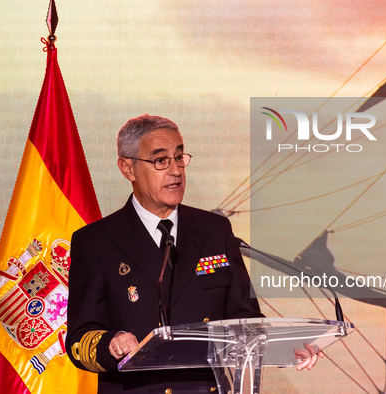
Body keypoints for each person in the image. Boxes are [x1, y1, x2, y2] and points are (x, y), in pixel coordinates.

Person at [66, 115, 321, 394]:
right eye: (160, 161)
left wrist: (288, 347)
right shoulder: (96, 241)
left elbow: (245, 320)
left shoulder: (214, 230)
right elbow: (79, 340)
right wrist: (112, 342)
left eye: (179, 158)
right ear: (128, 168)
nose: (175, 170)